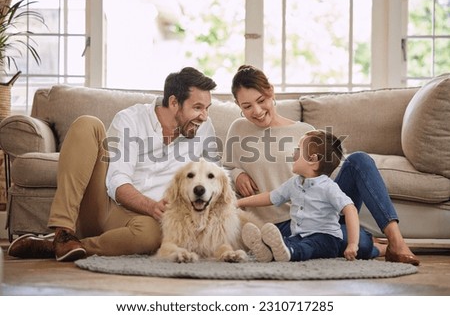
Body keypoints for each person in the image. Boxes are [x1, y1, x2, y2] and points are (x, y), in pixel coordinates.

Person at [7, 67, 218, 262]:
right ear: (174, 103)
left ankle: (58, 246)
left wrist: (239, 175)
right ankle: (63, 231)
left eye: (207, 108)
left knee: (151, 237)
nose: (204, 116)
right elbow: (117, 182)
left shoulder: (203, 128)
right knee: (88, 124)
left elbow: (217, 172)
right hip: (106, 205)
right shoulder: (131, 119)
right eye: (198, 107)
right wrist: (151, 206)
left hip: (145, 221)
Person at [223, 64, 419, 265]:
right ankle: (373, 245)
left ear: (270, 91)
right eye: (246, 106)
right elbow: (223, 171)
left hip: (321, 215)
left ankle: (396, 241)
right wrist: (237, 173)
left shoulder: (305, 131)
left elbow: (325, 181)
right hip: (281, 226)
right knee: (355, 240)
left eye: (261, 101)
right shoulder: (238, 129)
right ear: (238, 106)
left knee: (359, 160)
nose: (256, 111)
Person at [238, 130, 360, 262]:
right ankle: (267, 250)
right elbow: (270, 197)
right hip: (299, 235)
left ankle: (290, 252)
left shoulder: (328, 187)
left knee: (307, 247)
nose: (293, 154)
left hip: (326, 238)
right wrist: (239, 203)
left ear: (312, 159)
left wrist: (352, 244)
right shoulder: (294, 183)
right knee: (286, 241)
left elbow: (350, 209)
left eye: (297, 150)